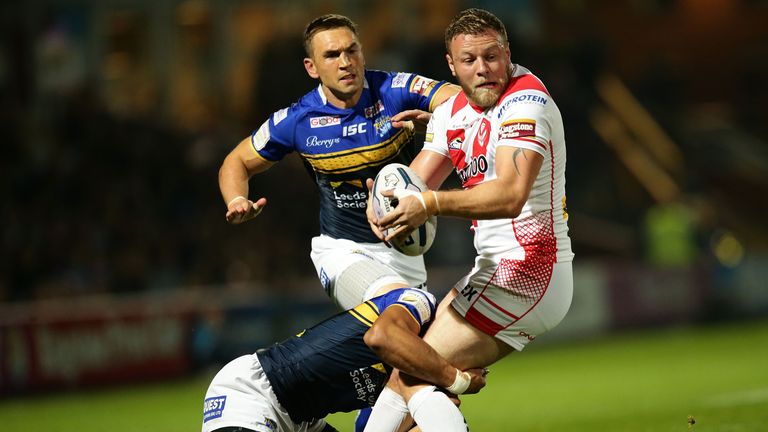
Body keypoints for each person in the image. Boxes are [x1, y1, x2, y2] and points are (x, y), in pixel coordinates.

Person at [364, 8, 574, 432]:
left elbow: (512, 195)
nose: (483, 70)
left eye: (492, 57)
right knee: (407, 385)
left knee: (414, 374)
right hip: (493, 270)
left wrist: (429, 205)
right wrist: (382, 202)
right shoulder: (449, 114)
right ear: (451, 65)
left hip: (531, 270)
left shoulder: (526, 101)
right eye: (469, 61)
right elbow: (414, 183)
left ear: (508, 53)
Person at [218, 14, 459, 310]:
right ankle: (260, 361)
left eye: (351, 51)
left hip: (405, 249)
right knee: (399, 311)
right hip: (344, 250)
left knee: (401, 345)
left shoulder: (394, 89)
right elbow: (236, 161)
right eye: (332, 55)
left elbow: (460, 100)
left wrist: (437, 121)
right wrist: (236, 198)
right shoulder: (298, 120)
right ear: (312, 67)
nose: (345, 62)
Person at [201, 287, 487, 432]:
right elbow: (381, 337)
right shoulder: (419, 302)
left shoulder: (417, 380)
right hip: (254, 391)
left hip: (304, 421)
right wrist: (457, 380)